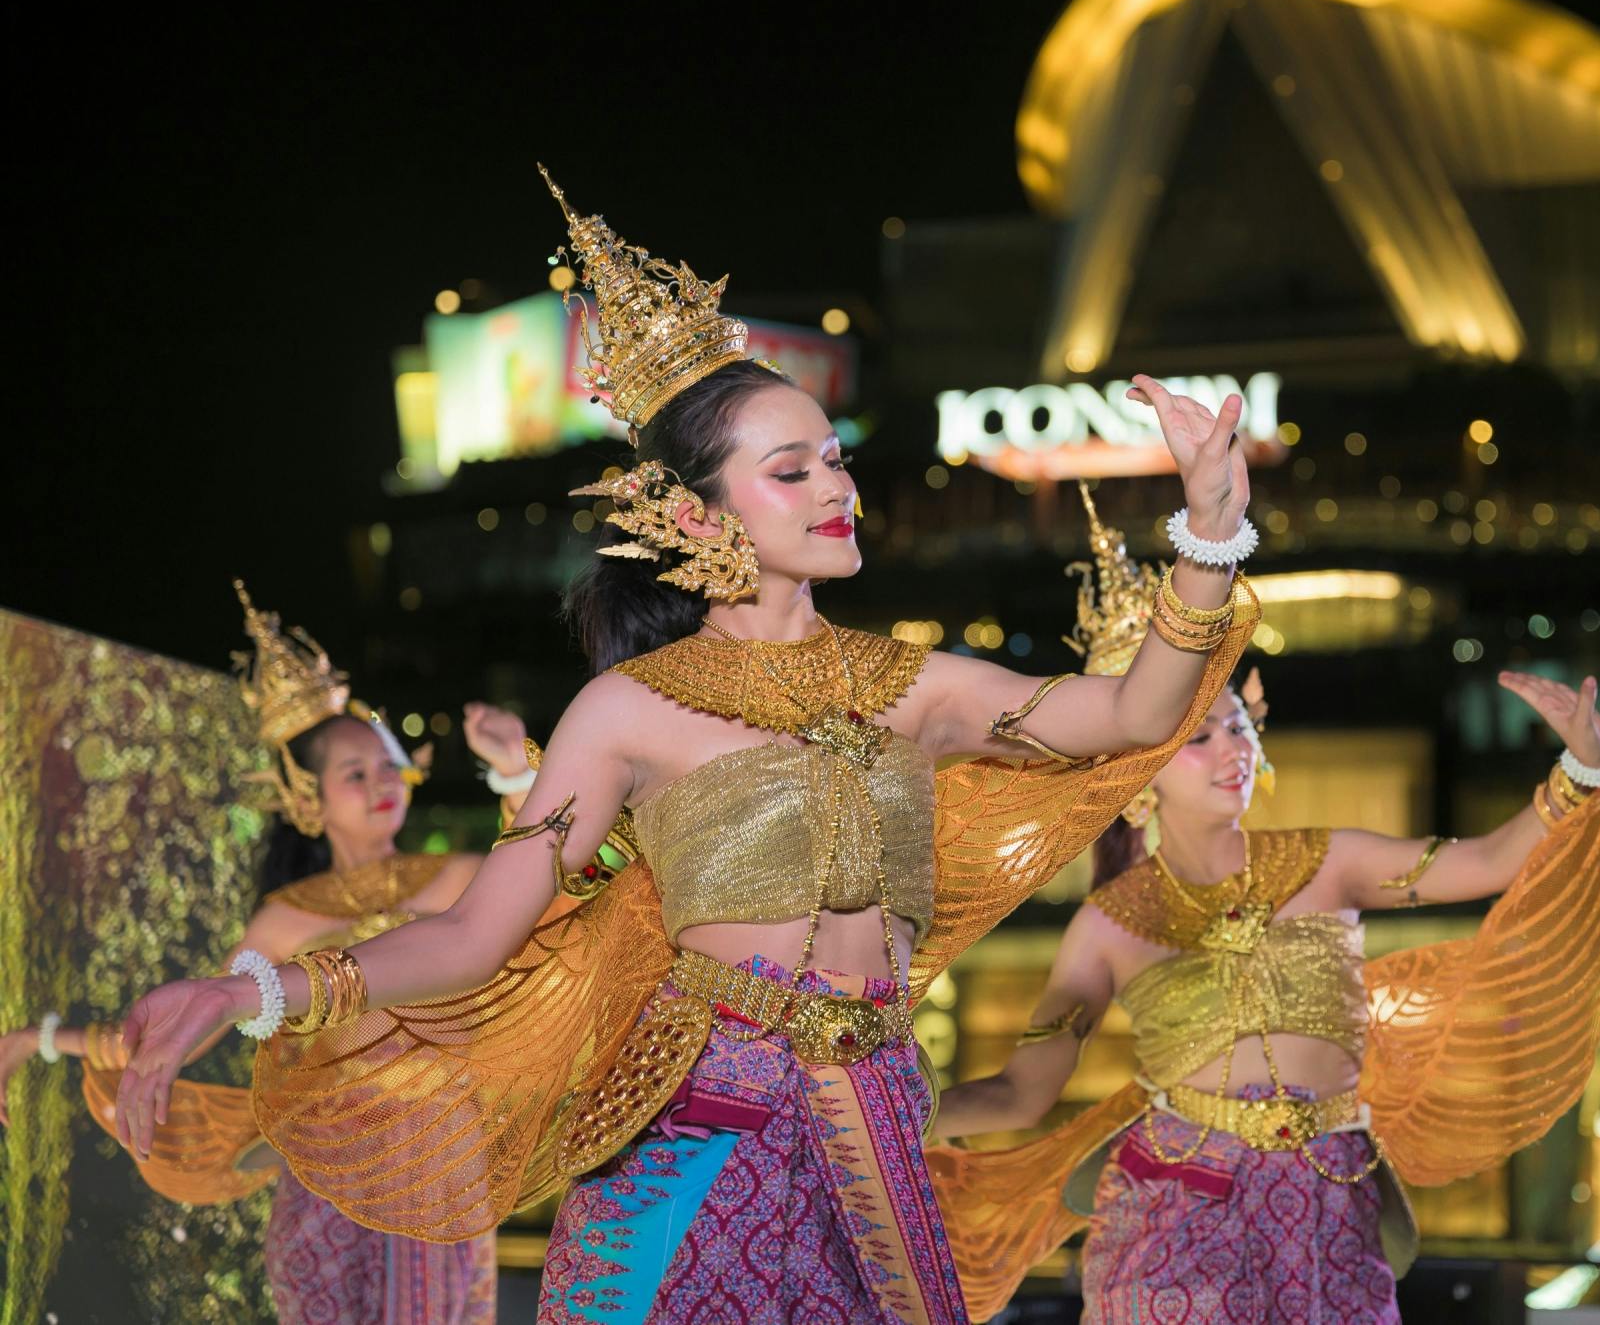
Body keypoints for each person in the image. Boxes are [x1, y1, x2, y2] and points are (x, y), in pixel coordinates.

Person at [111, 169, 1265, 1325]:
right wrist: (249, 985)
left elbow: (1128, 715)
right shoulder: (628, 713)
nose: (836, 490)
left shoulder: (915, 688)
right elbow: (472, 934)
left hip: (879, 1137)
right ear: (695, 518)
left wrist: (1209, 530)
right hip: (707, 1144)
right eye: (792, 470)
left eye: (837, 459)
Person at [924, 491, 1600, 1323]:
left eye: (1236, 730)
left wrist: (1580, 772)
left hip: (1330, 1201)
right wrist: (896, 1112)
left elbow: (1486, 862)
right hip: (1175, 1205)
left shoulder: (1329, 861)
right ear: (1132, 773)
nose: (1231, 750)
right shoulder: (1110, 922)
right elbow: (1021, 1093)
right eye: (1198, 737)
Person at [0, 582, 521, 1322]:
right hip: (324, 1184)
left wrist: (514, 772)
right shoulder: (284, 920)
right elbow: (177, 1031)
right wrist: (40, 1037)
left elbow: (553, 887)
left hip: (436, 1164)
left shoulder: (459, 881)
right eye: (354, 773)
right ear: (307, 800)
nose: (380, 783)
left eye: (384, 764)